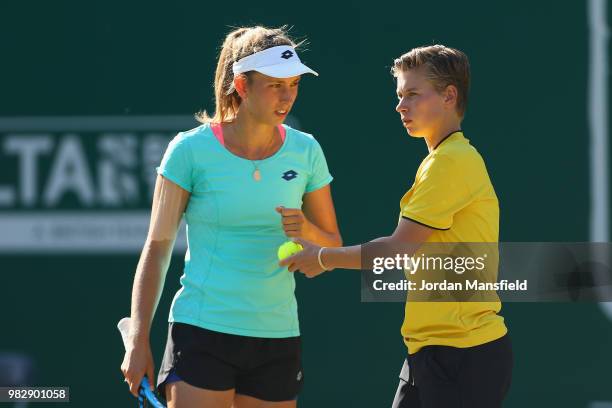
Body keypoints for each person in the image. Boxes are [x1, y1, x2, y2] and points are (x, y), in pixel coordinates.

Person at [120, 26, 342, 408]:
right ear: (241, 85)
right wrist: (139, 340)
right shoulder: (189, 151)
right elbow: (157, 248)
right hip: (202, 331)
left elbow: (332, 246)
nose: (287, 96)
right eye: (275, 85)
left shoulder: (307, 152)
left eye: (293, 84)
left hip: (278, 336)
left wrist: (306, 231)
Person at [281, 45, 513, 408]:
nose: (400, 106)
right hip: (431, 352)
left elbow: (397, 249)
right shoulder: (439, 161)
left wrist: (322, 258)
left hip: (464, 354)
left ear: (449, 96)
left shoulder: (452, 162)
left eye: (413, 95)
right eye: (399, 95)